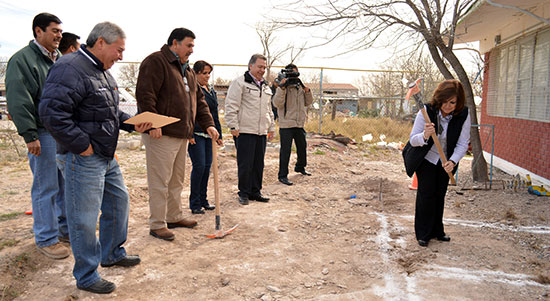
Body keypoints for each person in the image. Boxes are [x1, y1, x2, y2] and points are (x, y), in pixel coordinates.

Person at [39, 22, 151, 294]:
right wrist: (82, 146)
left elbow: (109, 113)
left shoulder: (102, 73)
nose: (121, 56)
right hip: (83, 156)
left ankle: (112, 252)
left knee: (118, 200)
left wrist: (134, 122)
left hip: (104, 153)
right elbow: (52, 113)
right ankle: (87, 275)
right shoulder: (69, 67)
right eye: (119, 50)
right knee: (84, 218)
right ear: (101, 42)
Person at [136, 28, 218, 241]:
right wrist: (152, 123)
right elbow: (145, 94)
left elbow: (199, 102)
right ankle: (157, 224)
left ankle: (173, 216)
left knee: (176, 180)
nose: (192, 50)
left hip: (182, 134)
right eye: (189, 45)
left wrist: (208, 124)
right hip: (160, 133)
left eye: (192, 45)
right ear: (175, 43)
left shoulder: (188, 71)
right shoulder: (156, 62)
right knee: (160, 180)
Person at [5, 12, 70, 260]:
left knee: (64, 184)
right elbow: (19, 101)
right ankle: (46, 238)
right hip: (42, 134)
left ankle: (64, 231)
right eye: (54, 30)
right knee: (46, 186)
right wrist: (30, 135)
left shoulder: (59, 60)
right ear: (38, 31)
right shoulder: (22, 60)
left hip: (63, 134)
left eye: (60, 31)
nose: (59, 35)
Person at [408, 79, 471, 247]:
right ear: (439, 98)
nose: (447, 106)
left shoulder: (464, 114)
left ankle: (437, 230)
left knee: (439, 195)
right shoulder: (426, 111)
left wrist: (453, 161)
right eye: (444, 101)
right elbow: (413, 140)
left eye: (452, 102)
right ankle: (423, 233)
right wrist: (425, 135)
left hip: (447, 161)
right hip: (427, 159)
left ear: (458, 102)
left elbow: (463, 143)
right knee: (426, 195)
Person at [225, 54, 275, 205]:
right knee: (245, 164)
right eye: (259, 67)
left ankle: (255, 191)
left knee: (258, 163)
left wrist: (271, 127)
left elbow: (269, 109)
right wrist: (233, 126)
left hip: (261, 131)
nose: (262, 70)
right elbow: (231, 105)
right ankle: (244, 193)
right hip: (245, 130)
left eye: (264, 68)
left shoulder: (266, 86)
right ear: (250, 66)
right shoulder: (240, 83)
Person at [188, 60, 223, 214]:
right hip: (196, 134)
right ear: (195, 74)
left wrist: (219, 134)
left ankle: (204, 200)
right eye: (204, 73)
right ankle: (195, 203)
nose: (207, 76)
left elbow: (214, 115)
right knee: (199, 166)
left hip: (210, 135)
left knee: (207, 167)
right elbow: (189, 112)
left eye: (209, 73)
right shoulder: (191, 91)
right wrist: (188, 133)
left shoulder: (211, 91)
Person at [273, 63, 314, 186]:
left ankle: (300, 167)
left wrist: (307, 91)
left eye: (295, 72)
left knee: (302, 146)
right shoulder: (282, 87)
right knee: (285, 150)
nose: (293, 75)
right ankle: (282, 175)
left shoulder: (299, 86)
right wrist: (282, 88)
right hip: (286, 124)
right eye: (291, 73)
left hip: (299, 123)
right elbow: (277, 104)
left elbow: (308, 103)